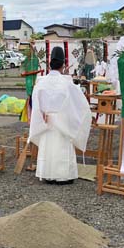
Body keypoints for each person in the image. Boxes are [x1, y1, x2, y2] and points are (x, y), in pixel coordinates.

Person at [29, 47, 92, 184]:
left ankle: (46, 174)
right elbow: (80, 104)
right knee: (62, 148)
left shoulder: (41, 82)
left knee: (47, 147)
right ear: (63, 64)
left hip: (46, 120)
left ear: (50, 63)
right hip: (62, 121)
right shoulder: (66, 83)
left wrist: (41, 114)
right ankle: (63, 176)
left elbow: (35, 102)